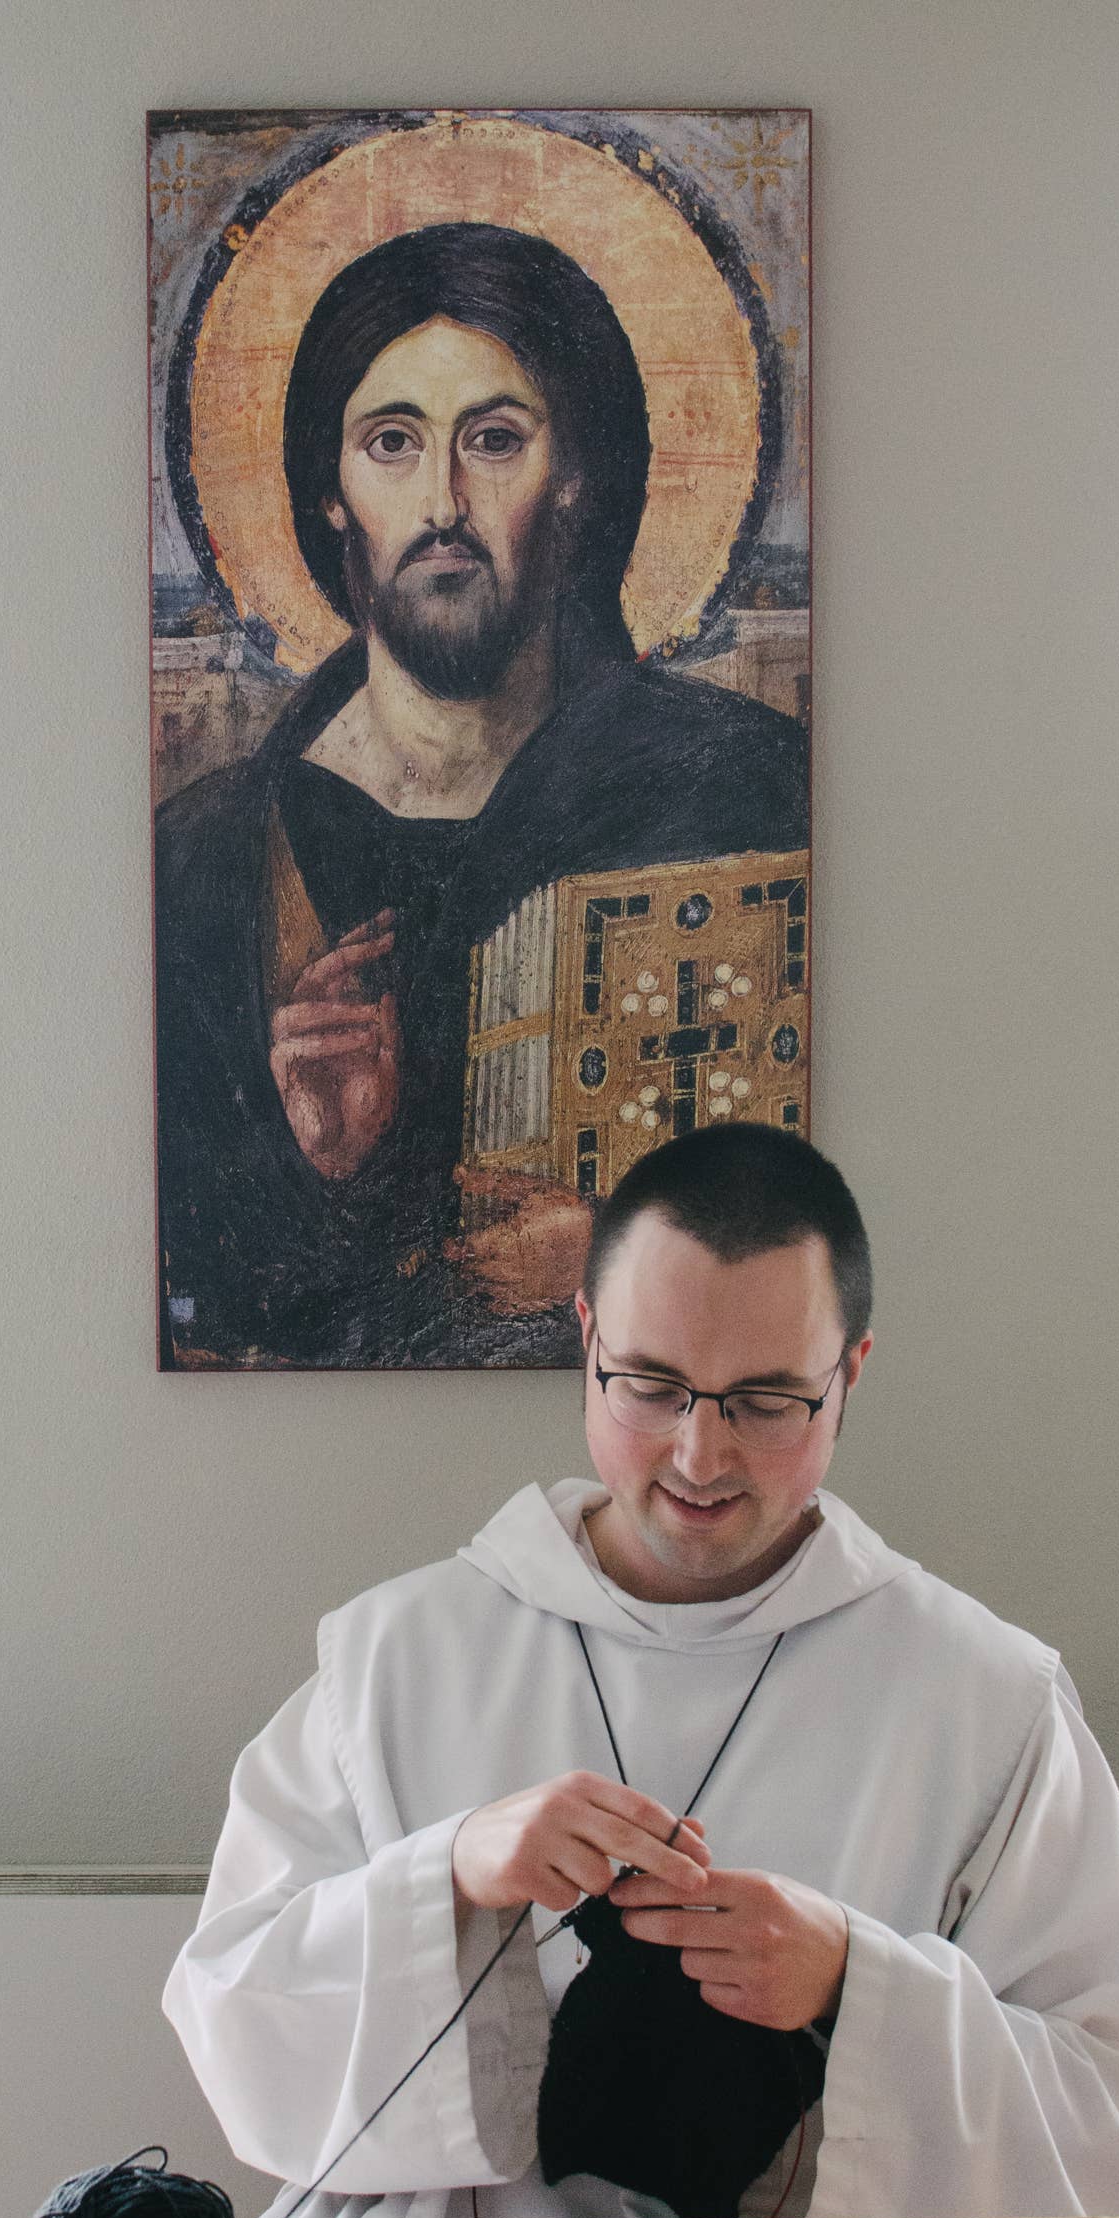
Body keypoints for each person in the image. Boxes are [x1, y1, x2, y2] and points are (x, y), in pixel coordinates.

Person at [165, 1125, 1119, 2218]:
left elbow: (1118, 2109)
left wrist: (857, 1983)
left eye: (764, 1401)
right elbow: (232, 2025)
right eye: (651, 1384)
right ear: (586, 1336)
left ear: (849, 1373)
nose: (700, 1456)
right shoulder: (394, 1659)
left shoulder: (985, 1699)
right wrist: (450, 1873)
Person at [156, 223, 806, 1368]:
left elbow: (809, 1229)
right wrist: (326, 1171)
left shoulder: (745, 790)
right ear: (331, 495)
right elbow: (206, 1309)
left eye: (496, 441)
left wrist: (618, 1255)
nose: (444, 501)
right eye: (392, 443)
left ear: (577, 482)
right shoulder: (207, 860)